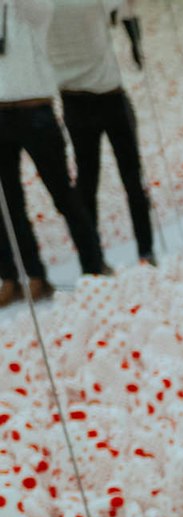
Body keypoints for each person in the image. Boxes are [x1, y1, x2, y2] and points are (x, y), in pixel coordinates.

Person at [0, 0, 110, 302]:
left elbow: (39, 10)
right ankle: (25, 275)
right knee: (7, 205)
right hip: (2, 111)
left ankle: (93, 264)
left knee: (62, 193)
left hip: (35, 108)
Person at [46, 0, 154, 264]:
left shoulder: (43, 8)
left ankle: (93, 258)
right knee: (131, 176)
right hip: (109, 96)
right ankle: (145, 250)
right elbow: (129, 6)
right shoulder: (93, 3)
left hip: (73, 100)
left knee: (87, 179)